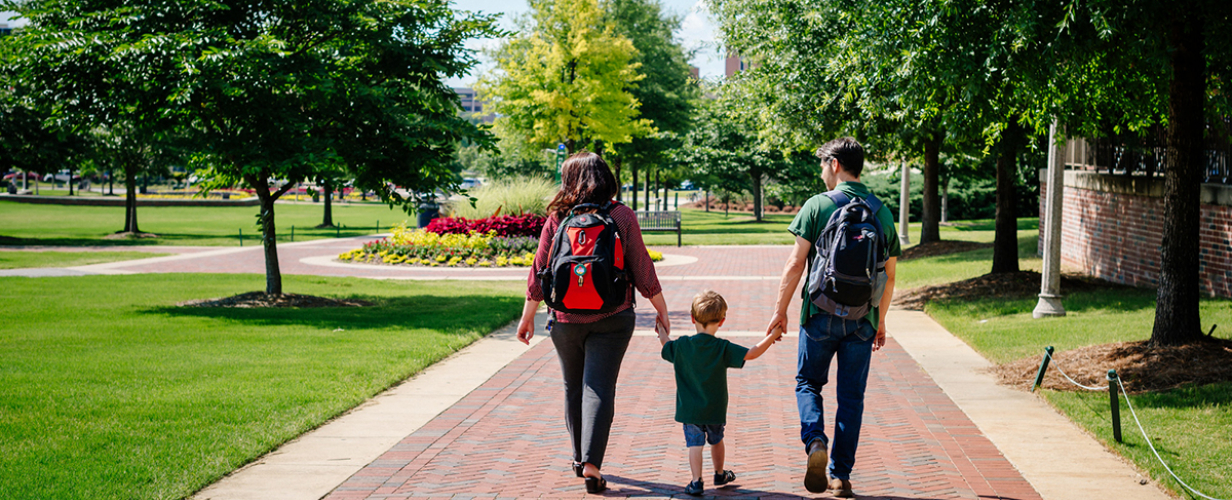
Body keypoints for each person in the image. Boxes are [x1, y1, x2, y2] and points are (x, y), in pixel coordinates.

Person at [516, 151, 671, 494]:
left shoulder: (558, 216)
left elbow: (539, 271)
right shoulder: (621, 215)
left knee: (573, 386)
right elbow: (642, 267)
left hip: (565, 318)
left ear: (568, 180)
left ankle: (578, 458)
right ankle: (591, 464)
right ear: (605, 177)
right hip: (613, 316)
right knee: (598, 387)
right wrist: (661, 308)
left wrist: (528, 318)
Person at [764, 137, 900, 498]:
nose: (821, 171)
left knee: (809, 384)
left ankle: (815, 441)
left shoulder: (817, 206)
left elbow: (796, 264)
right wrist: (880, 320)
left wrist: (780, 312)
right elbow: (890, 275)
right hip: (862, 318)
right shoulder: (882, 212)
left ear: (835, 164)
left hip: (819, 314)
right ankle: (840, 476)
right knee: (852, 397)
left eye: (823, 164)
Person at [659, 290, 783, 496]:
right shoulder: (722, 347)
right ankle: (719, 473)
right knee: (717, 440)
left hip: (690, 410)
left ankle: (696, 481)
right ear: (722, 321)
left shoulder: (682, 345)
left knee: (694, 445)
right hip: (715, 408)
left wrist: (661, 330)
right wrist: (772, 337)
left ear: (692, 318)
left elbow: (666, 344)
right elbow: (750, 353)